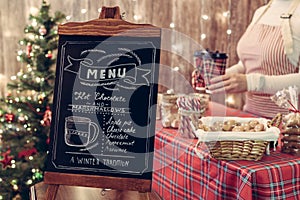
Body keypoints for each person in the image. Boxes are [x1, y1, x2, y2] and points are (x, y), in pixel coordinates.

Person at [208, 0, 300, 119]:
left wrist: (252, 83)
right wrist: (218, 77)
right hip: (252, 121)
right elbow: (246, 64)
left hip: (289, 126)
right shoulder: (260, 13)